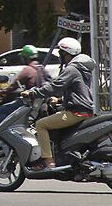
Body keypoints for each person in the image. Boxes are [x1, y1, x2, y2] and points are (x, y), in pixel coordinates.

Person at [32, 37, 94, 168]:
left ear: (67, 54)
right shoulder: (82, 68)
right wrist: (60, 100)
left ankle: (48, 160)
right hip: (84, 110)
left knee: (41, 125)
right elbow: (78, 92)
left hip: (75, 113)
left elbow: (54, 87)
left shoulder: (71, 69)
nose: (60, 56)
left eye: (61, 53)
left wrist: (33, 93)